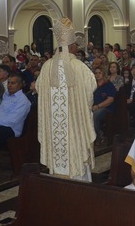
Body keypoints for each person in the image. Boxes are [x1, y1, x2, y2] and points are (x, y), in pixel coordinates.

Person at [37, 17, 96, 181]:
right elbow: (91, 89)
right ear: (72, 46)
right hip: (76, 123)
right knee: (76, 152)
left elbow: (38, 88)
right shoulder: (79, 67)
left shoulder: (47, 67)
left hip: (53, 124)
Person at [91, 67, 117, 143]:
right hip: (94, 107)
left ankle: (99, 136)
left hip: (106, 108)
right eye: (96, 73)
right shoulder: (93, 85)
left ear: (103, 74)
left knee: (95, 115)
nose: (97, 75)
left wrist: (98, 106)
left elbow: (110, 99)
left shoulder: (108, 84)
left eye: (100, 73)